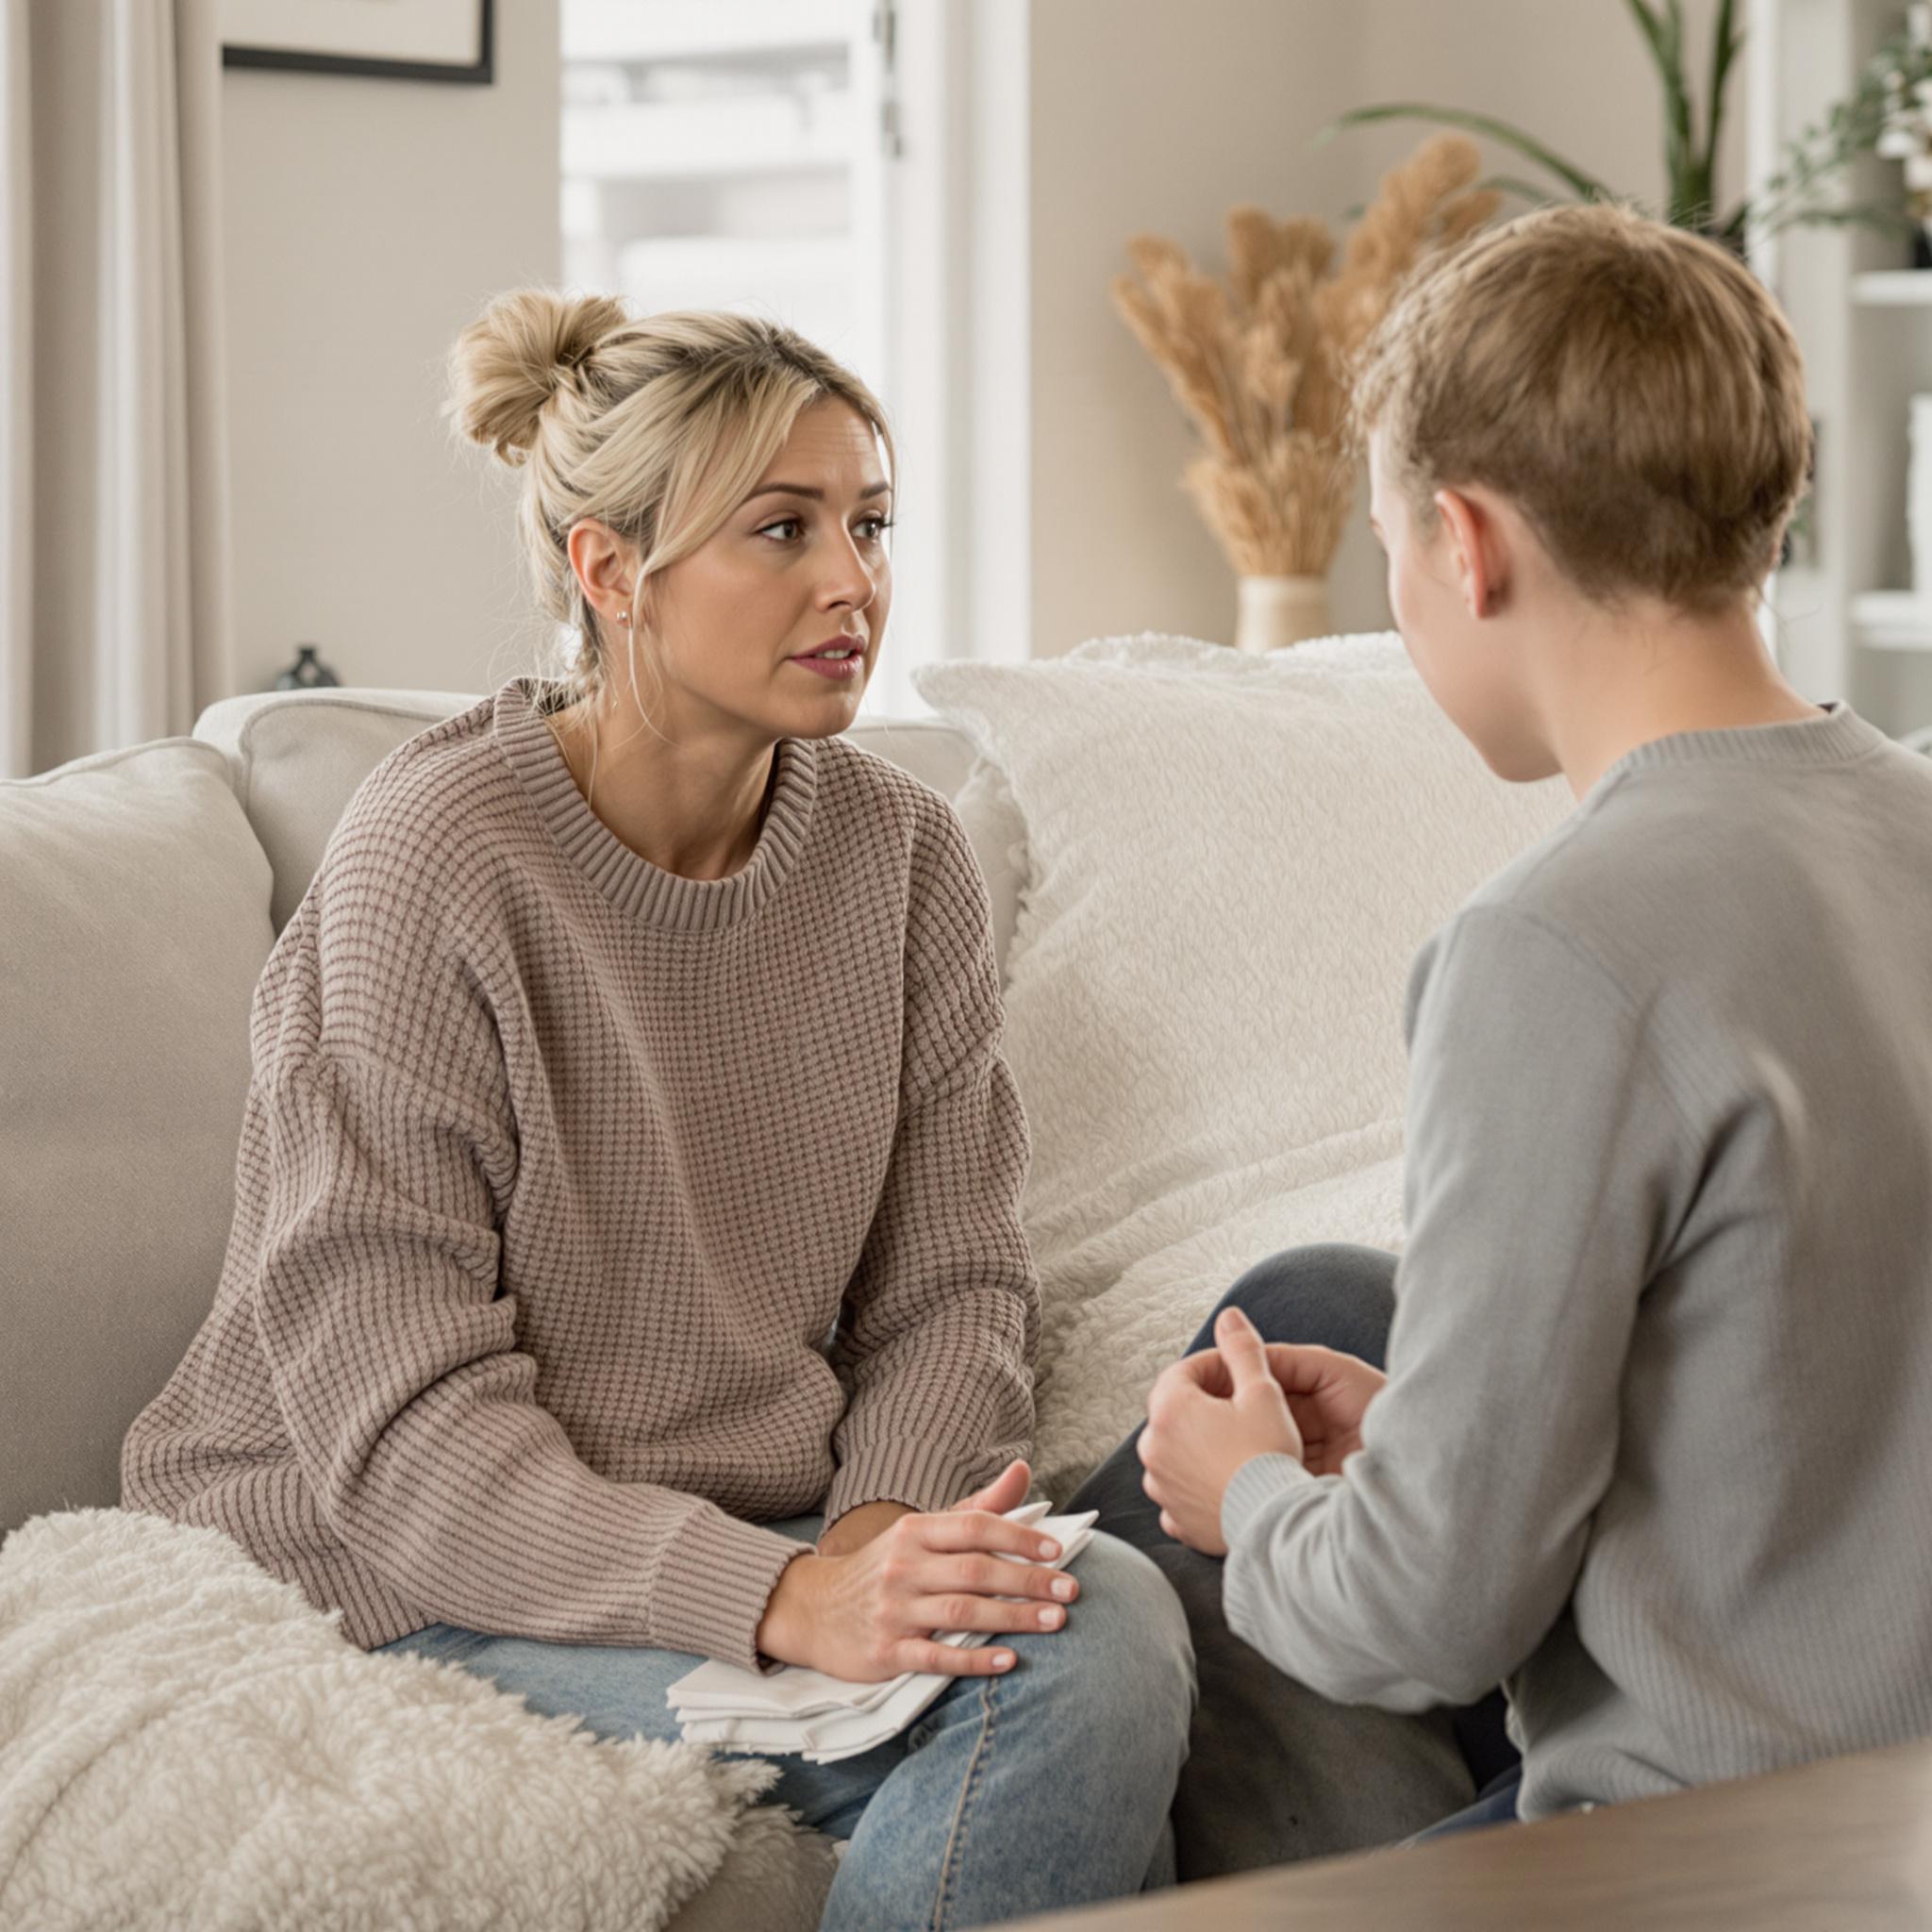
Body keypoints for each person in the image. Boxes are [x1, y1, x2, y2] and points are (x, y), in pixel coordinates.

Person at [121, 293, 1192, 1930]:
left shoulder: (899, 859)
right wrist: (781, 1596)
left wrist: (889, 1550)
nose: (855, 582)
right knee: (1085, 1657)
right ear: (610, 576)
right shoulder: (436, 866)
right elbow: (406, 1441)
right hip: (410, 1562)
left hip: (756, 1534)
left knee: (1075, 1614)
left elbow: (953, 1288)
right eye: (782, 529)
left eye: (871, 523)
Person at [1085, 199, 1932, 1858]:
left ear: (1465, 547)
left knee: (1205, 1492)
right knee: (1313, 1300)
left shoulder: (1550, 951)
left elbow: (1423, 1620)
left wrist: (1246, 1503)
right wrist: (1410, 1436)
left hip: (1724, 1849)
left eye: (1390, 547)